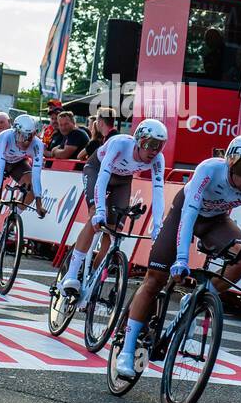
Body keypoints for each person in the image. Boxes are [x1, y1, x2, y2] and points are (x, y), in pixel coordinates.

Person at [116, 135, 241, 378]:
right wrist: (181, 259)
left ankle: (198, 298)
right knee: (155, 278)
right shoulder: (209, 169)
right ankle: (126, 350)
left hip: (216, 221)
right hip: (184, 213)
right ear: (230, 162)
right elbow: (189, 214)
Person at [61, 120, 168, 299]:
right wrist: (100, 210)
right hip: (97, 170)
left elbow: (159, 192)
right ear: (139, 141)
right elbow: (102, 178)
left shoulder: (158, 159)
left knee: (114, 230)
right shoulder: (120, 144)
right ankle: (71, 274)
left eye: (160, 145)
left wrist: (158, 225)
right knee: (95, 216)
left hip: (123, 181)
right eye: (151, 144)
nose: (154, 151)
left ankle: (92, 276)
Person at [0, 114, 47, 277]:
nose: (25, 141)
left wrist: (39, 203)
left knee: (31, 189)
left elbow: (37, 174)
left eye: (30, 136)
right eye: (22, 136)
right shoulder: (5, 136)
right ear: (15, 131)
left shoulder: (38, 145)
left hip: (18, 163)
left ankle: (10, 222)